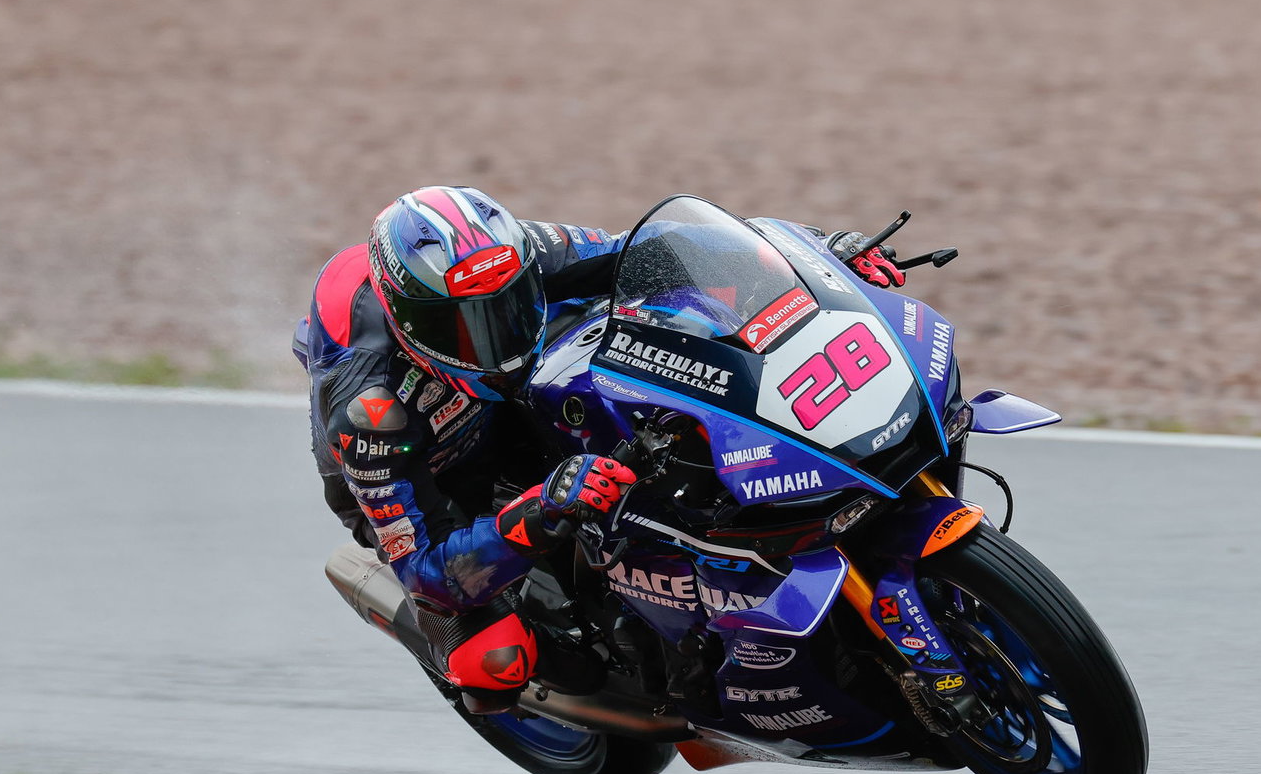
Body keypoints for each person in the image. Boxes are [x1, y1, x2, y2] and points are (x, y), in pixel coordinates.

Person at [293, 185, 904, 714]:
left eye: (506, 308)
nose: (493, 339)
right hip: (436, 470)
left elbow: (662, 249)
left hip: (510, 401)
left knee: (681, 313)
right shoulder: (370, 413)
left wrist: (821, 253)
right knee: (493, 664)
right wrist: (539, 510)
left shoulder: (519, 254)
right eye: (463, 326)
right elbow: (432, 572)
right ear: (406, 321)